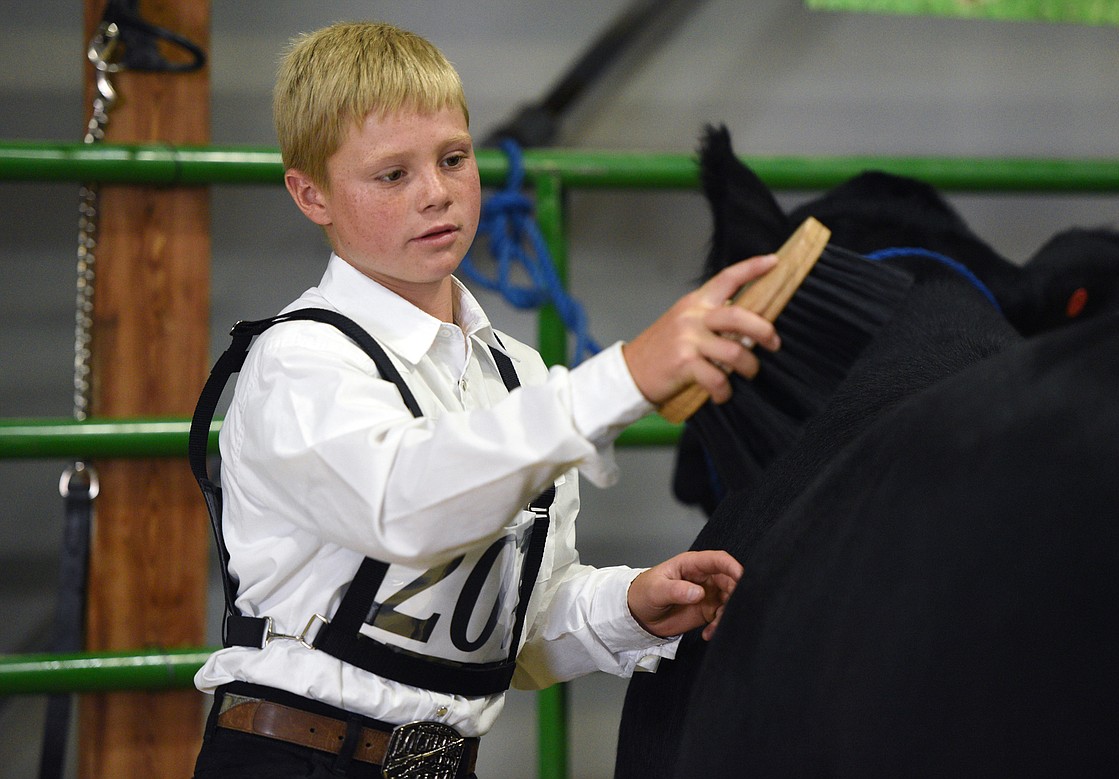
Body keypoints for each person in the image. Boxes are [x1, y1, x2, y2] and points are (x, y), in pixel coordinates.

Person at [192, 20, 781, 779]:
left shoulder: (518, 373)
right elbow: (409, 505)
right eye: (391, 175)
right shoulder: (298, 362)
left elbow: (519, 628)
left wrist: (629, 605)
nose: (436, 193)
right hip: (292, 760)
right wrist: (628, 375)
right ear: (312, 195)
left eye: (453, 158)